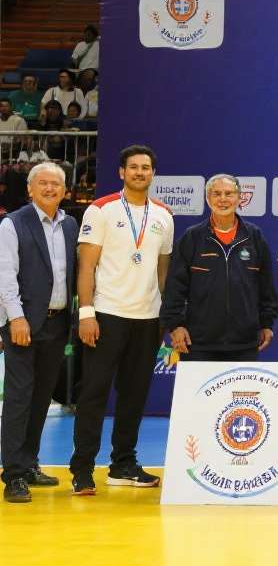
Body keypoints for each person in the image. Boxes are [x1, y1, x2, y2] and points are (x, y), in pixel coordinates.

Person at [70, 145, 175, 495]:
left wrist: (164, 316)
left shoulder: (164, 215)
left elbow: (163, 271)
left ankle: (123, 465)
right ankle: (82, 469)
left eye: (146, 167)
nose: (140, 172)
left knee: (134, 397)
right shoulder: (101, 210)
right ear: (121, 172)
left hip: (147, 319)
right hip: (106, 315)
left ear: (153, 173)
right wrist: (87, 313)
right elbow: (86, 267)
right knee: (94, 394)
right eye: (133, 167)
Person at [0, 163, 77, 503]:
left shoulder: (70, 224)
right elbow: (5, 275)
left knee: (41, 397)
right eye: (42, 183)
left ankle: (29, 463)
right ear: (30, 189)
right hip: (23, 323)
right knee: (19, 398)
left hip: (57, 323)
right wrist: (16, 318)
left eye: (56, 183)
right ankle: (13, 474)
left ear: (64, 190)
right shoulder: (12, 224)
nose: (49, 188)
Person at [160, 174, 278, 362]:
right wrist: (175, 325)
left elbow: (266, 287)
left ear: (239, 198)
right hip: (198, 343)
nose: (223, 199)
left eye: (229, 193)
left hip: (245, 343)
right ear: (208, 199)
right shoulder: (192, 237)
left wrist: (267, 323)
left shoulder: (254, 237)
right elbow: (175, 287)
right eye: (216, 194)